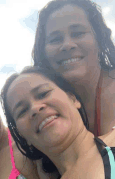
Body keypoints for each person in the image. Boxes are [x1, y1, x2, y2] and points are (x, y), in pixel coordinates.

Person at [32, 0, 115, 136]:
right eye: (55, 39)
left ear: (99, 39)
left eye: (78, 33)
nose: (67, 44)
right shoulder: (46, 112)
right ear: (44, 53)